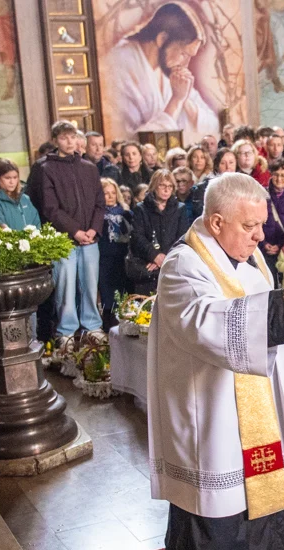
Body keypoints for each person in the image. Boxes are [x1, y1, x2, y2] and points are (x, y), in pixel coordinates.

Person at [149, 171, 284, 550]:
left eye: (262, 225)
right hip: (213, 414)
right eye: (250, 226)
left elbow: (262, 314)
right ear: (216, 220)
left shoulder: (251, 262)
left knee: (259, 508)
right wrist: (278, 307)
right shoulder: (184, 265)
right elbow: (202, 322)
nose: (261, 236)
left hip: (256, 408)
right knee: (220, 515)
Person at [25, 121, 105, 342]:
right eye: (64, 137)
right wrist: (75, 231)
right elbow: (50, 208)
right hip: (64, 239)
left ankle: (92, 326)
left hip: (90, 238)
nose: (69, 141)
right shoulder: (45, 168)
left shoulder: (89, 167)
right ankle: (66, 331)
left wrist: (93, 230)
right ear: (55, 140)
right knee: (65, 287)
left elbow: (100, 202)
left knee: (90, 284)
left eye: (72, 137)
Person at [103, 2, 219, 143]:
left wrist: (184, 99)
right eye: (183, 54)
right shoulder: (120, 64)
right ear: (162, 39)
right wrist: (176, 101)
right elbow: (132, 141)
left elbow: (211, 124)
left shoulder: (167, 69)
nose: (186, 64)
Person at [128, 169, 190, 294]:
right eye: (162, 185)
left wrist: (165, 259)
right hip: (146, 265)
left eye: (170, 186)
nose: (166, 189)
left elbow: (183, 237)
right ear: (154, 187)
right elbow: (137, 237)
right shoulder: (141, 209)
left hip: (172, 265)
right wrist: (155, 256)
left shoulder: (180, 209)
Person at [97, 177, 132, 327]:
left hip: (122, 256)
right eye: (106, 193)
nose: (110, 196)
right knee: (107, 291)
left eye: (113, 192)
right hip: (104, 257)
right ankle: (108, 321)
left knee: (122, 290)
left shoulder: (126, 213)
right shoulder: (97, 215)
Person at [0, 159, 40, 230]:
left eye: (15, 177)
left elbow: (37, 223)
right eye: (7, 178)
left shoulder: (25, 199)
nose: (12, 182)